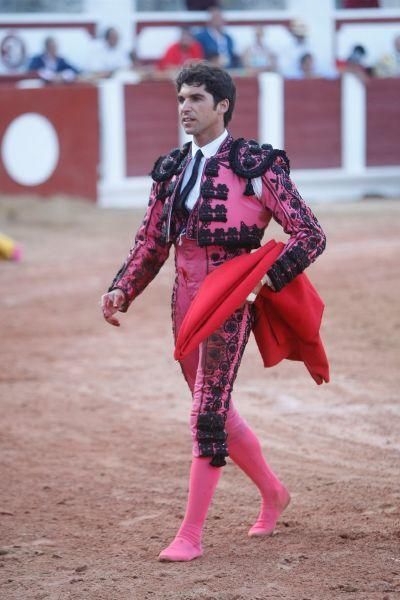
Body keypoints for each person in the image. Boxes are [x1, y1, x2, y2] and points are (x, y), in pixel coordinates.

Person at [101, 63, 326, 562]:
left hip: (230, 296)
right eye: (182, 98)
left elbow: (310, 233)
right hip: (185, 298)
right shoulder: (171, 168)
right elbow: (152, 242)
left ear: (223, 105)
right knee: (215, 408)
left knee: (207, 408)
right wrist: (122, 289)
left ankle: (191, 536)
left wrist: (265, 281)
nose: (186, 106)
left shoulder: (257, 164)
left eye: (197, 98)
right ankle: (273, 492)